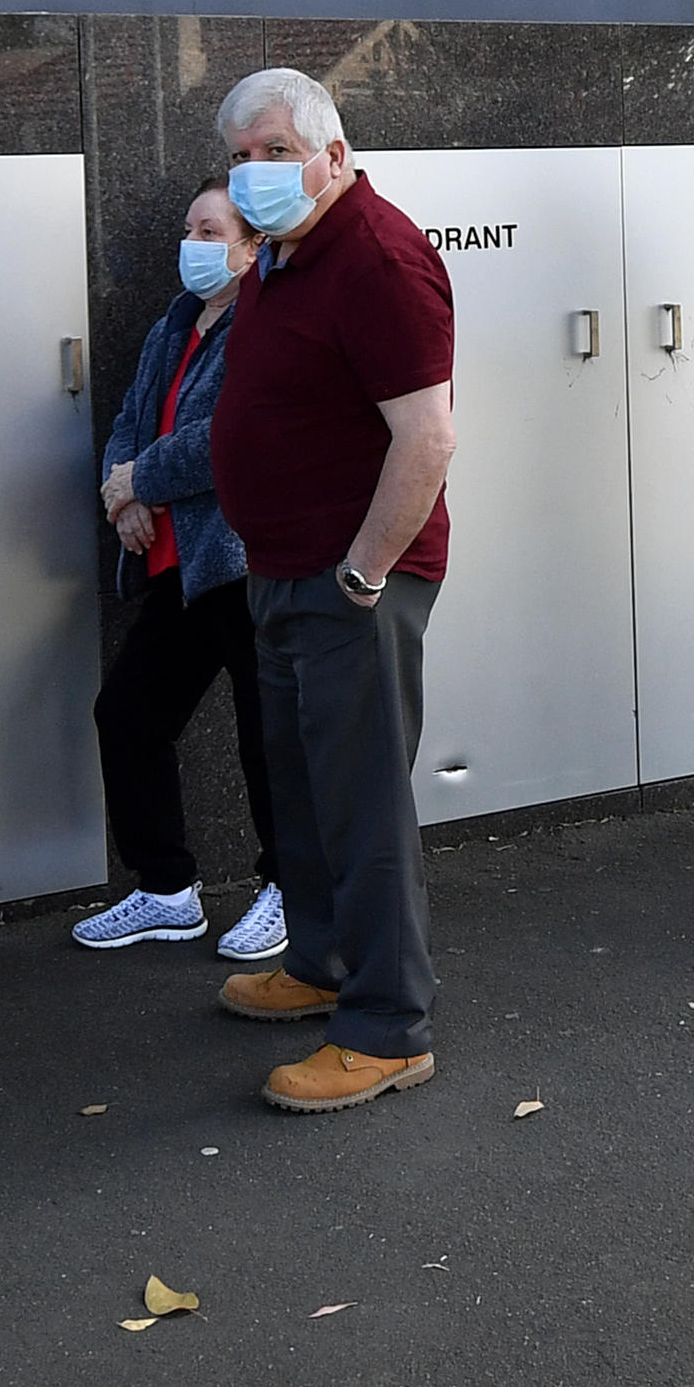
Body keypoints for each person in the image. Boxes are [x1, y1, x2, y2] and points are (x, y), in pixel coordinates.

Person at [203, 67, 459, 1108]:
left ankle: (387, 1026)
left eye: (276, 151)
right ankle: (320, 963)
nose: (254, 172)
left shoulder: (379, 258)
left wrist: (362, 570)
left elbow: (426, 436)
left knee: (361, 807)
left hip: (352, 578)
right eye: (241, 156)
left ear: (334, 155)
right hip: (279, 568)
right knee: (302, 792)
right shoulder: (282, 252)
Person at [76, 184, 288, 964]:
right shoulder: (177, 321)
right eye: (189, 227)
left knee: (268, 735)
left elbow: (225, 436)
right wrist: (122, 492)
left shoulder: (261, 323)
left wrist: (141, 481)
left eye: (210, 229)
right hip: (176, 563)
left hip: (238, 561)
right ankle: (166, 889)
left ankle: (291, 886)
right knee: (128, 714)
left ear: (252, 246)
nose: (192, 242)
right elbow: (131, 419)